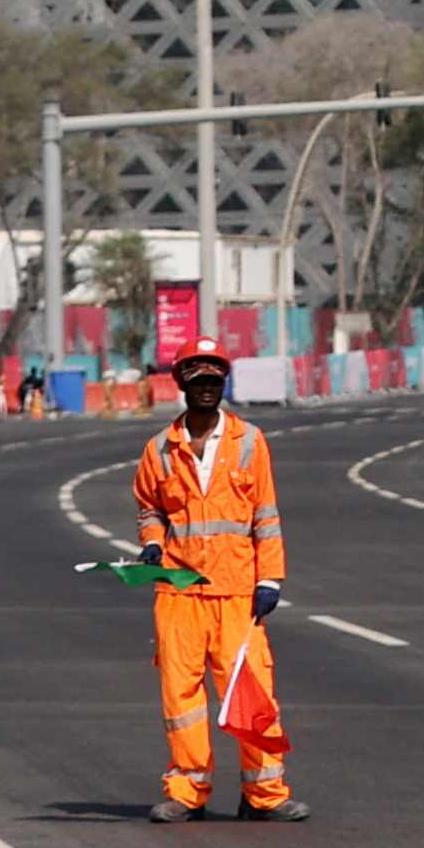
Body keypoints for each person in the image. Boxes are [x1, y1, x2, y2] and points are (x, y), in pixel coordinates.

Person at [134, 347, 300, 822]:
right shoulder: (159, 449)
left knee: (252, 692)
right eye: (197, 378)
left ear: (223, 384)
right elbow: (151, 509)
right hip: (179, 592)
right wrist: (151, 544)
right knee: (181, 698)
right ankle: (187, 792)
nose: (207, 386)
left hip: (237, 593)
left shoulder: (250, 441)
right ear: (182, 385)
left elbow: (265, 515)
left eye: (215, 378)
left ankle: (265, 793)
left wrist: (270, 579)